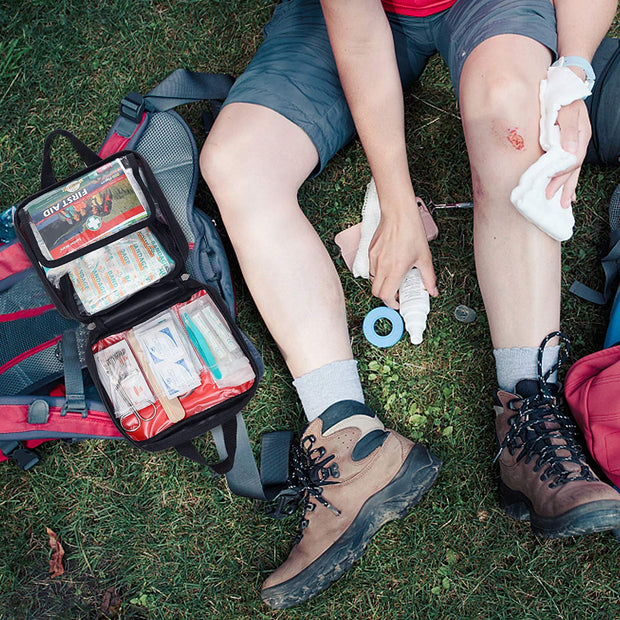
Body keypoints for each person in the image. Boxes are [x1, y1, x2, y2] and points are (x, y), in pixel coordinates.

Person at [200, 0, 620, 609]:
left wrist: (574, 75)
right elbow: (359, 29)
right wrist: (396, 207)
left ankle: (529, 412)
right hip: (351, 16)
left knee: (514, 117)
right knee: (236, 164)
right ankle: (349, 441)